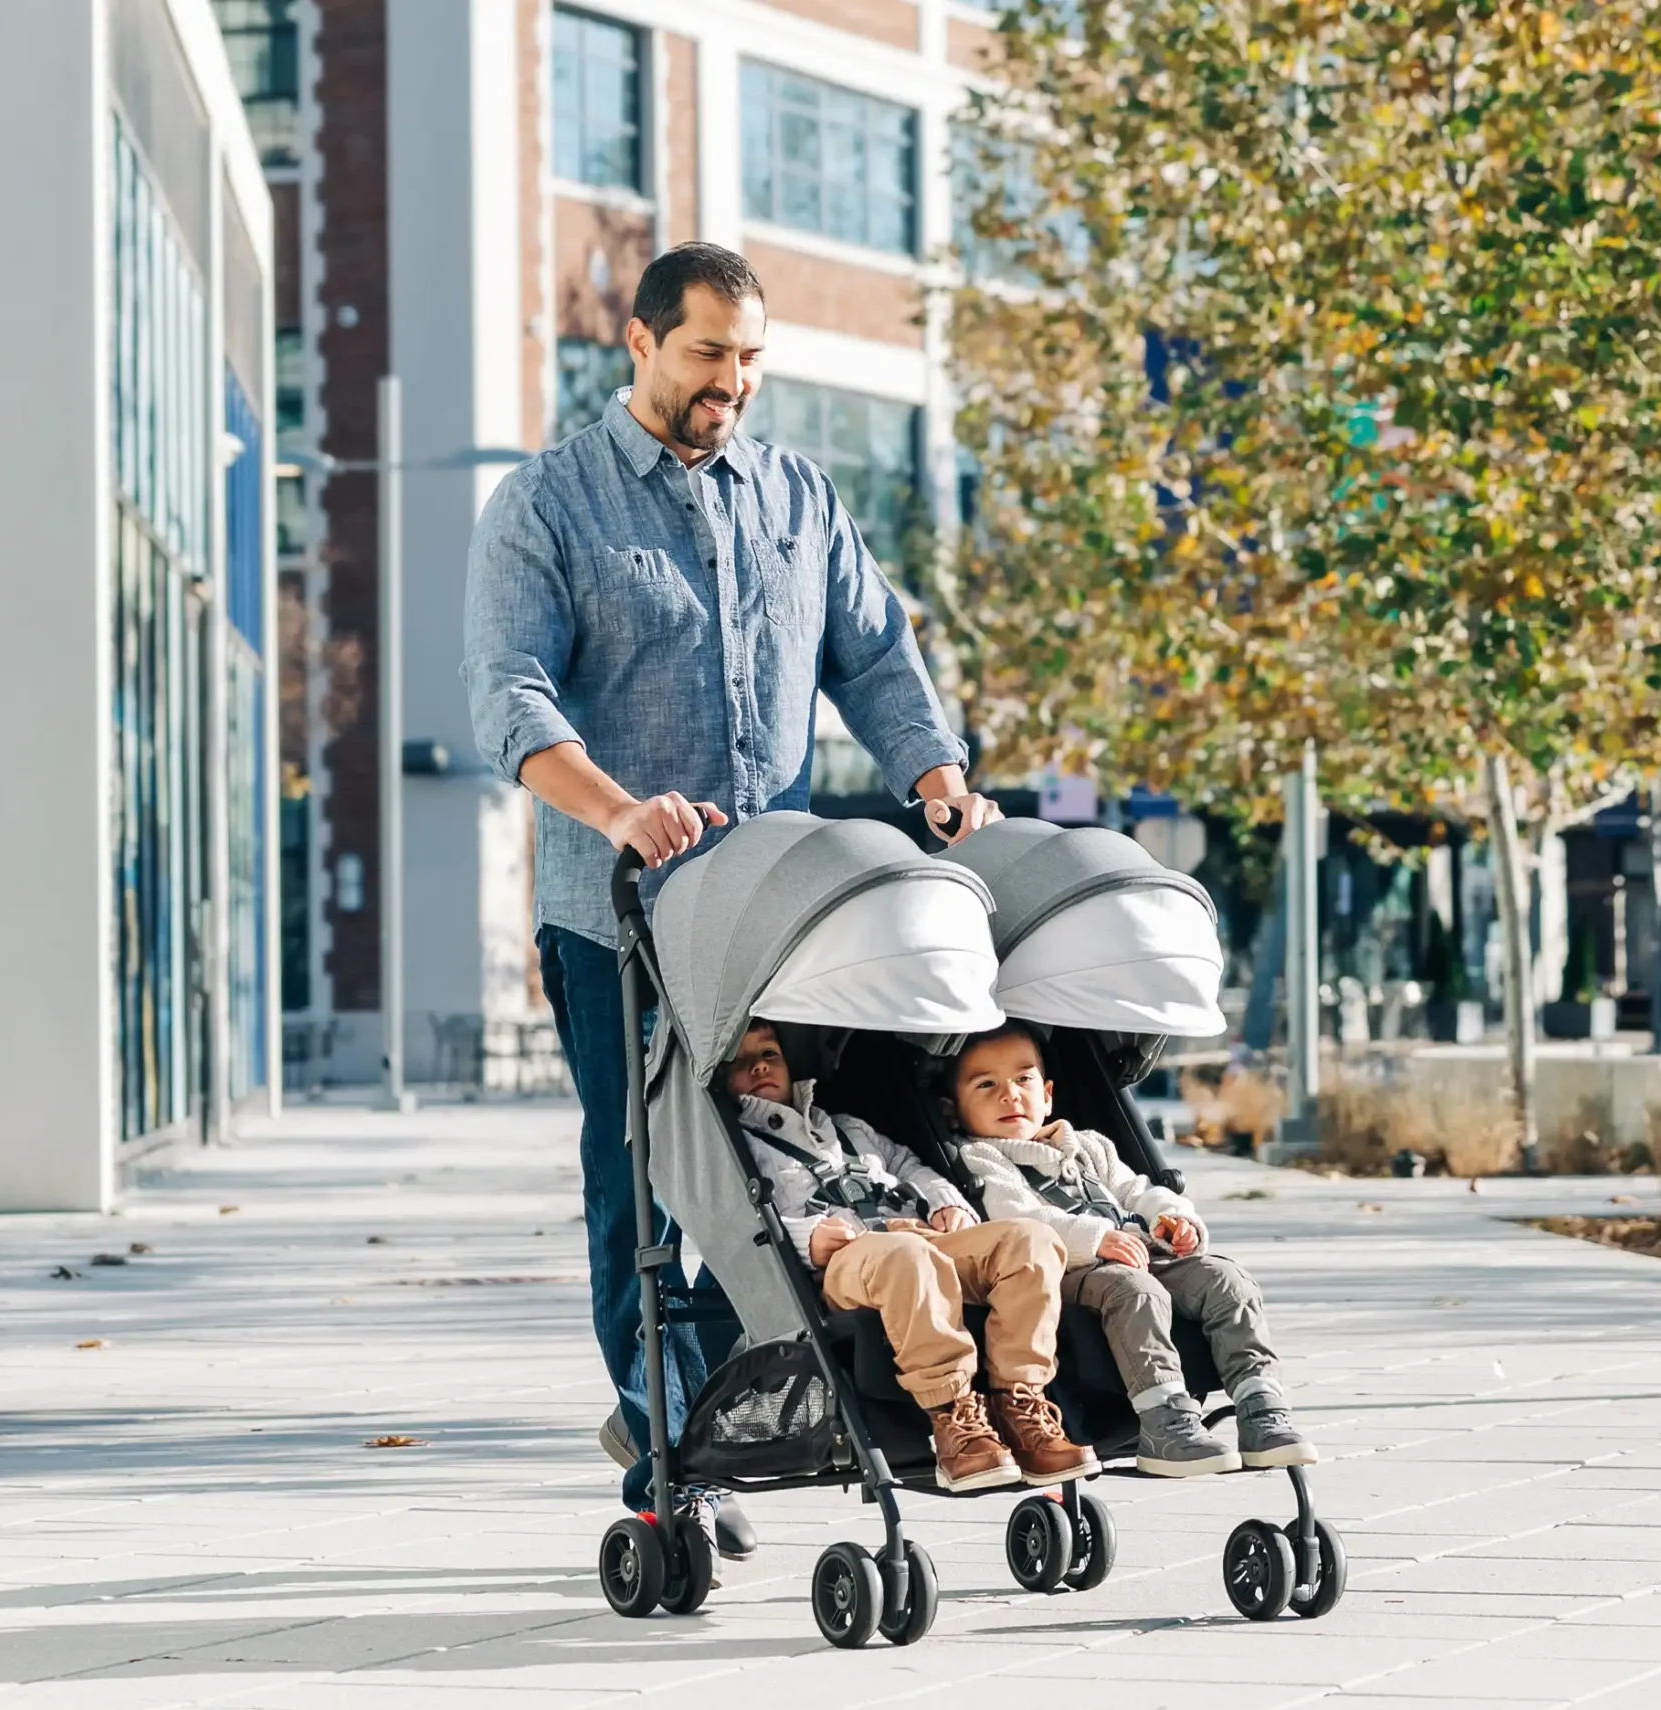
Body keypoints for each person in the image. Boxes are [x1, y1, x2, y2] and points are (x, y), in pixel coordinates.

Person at [462, 242, 999, 1550]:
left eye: (752, 359)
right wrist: (618, 810)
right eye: (709, 354)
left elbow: (872, 644)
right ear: (639, 343)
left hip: (781, 921)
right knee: (639, 1189)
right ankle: (673, 1432)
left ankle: (708, 1396)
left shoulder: (798, 498)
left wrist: (933, 763)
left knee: (769, 1176)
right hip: (621, 921)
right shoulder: (551, 505)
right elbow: (509, 695)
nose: (733, 383)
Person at [725, 1023, 1096, 1489]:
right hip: (844, 1258)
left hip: (917, 1233)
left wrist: (947, 1202)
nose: (759, 1065)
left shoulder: (845, 1127)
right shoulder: (741, 1144)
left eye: (769, 1053)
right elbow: (738, 1223)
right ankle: (954, 1418)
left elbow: (906, 1165)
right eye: (741, 1062)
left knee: (1031, 1241)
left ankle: (1021, 1404)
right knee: (907, 1257)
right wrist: (804, 1237)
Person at [948, 1024, 1316, 1476]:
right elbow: (1019, 1219)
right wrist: (1097, 1238)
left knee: (1226, 1279)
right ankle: (1167, 1420)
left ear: (1046, 1094)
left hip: (1143, 1252)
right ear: (956, 1108)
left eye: (1022, 1080)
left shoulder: (1090, 1146)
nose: (1009, 1095)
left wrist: (1174, 1219)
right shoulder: (980, 1158)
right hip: (1070, 1271)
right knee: (1136, 1290)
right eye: (986, 1085)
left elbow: (1137, 1189)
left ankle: (1262, 1407)